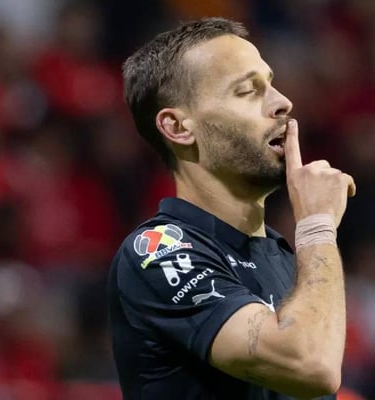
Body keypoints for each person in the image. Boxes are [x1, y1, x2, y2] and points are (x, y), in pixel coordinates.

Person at [108, 17, 356, 399]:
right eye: (247, 91)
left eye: (271, 84)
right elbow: (310, 363)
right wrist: (317, 224)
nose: (282, 102)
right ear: (178, 127)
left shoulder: (289, 260)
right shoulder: (159, 254)